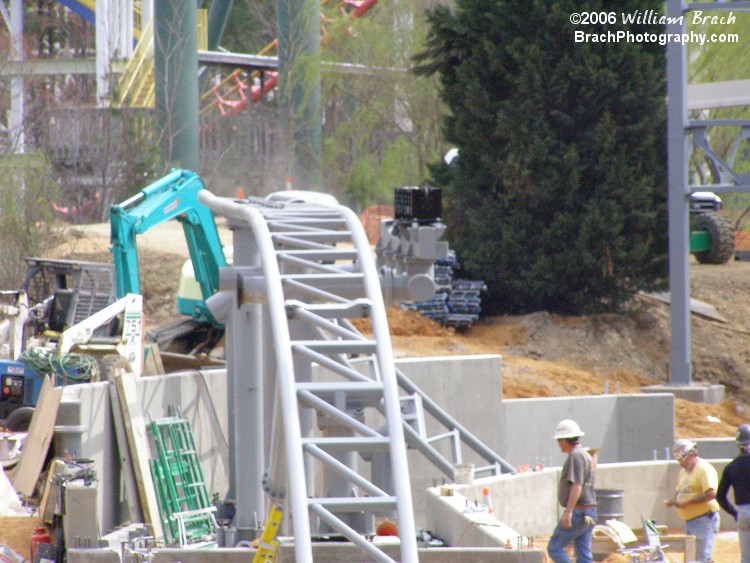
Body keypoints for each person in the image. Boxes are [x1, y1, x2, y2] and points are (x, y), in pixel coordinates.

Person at [547, 419, 597, 563]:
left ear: (564, 440)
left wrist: (568, 512)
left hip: (579, 512)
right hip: (589, 511)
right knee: (583, 553)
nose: (559, 445)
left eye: (559, 441)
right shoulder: (585, 455)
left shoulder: (575, 456)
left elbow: (577, 485)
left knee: (554, 547)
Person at [664, 438, 720, 563]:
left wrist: (687, 503)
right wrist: (673, 500)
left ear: (691, 454)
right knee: (692, 558)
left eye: (682, 459)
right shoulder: (684, 472)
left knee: (701, 559)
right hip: (691, 522)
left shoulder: (704, 469)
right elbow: (679, 490)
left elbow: (711, 493)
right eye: (678, 460)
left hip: (704, 520)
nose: (680, 463)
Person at [717, 424, 750, 563]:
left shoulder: (731, 467)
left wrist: (734, 513)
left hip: (743, 512)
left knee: (746, 557)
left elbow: (720, 496)